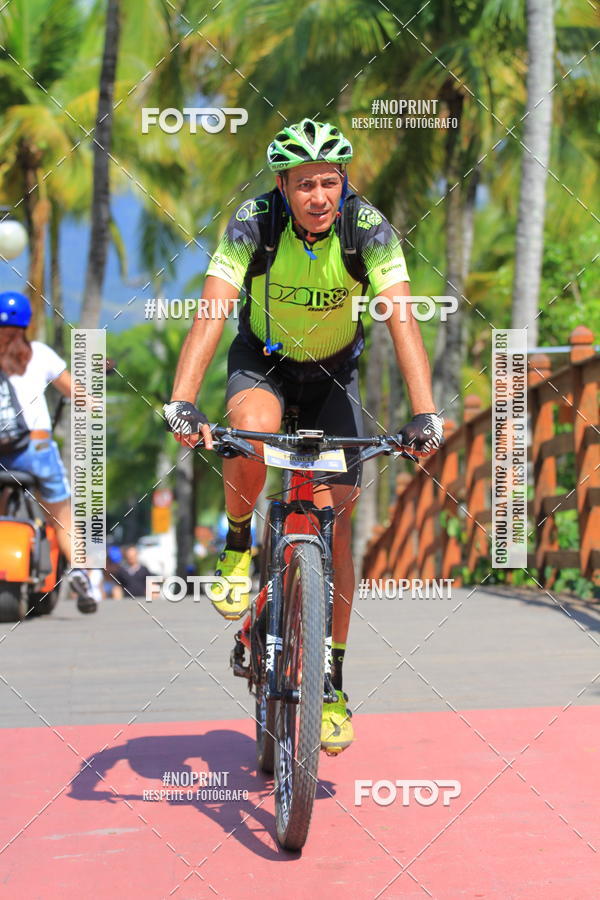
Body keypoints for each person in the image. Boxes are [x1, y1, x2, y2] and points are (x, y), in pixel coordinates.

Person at [164, 118, 444, 753]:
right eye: (305, 185)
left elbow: (401, 316)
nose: (320, 196)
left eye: (330, 181)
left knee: (336, 522)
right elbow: (212, 308)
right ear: (281, 187)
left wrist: (425, 412)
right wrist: (182, 399)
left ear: (343, 182)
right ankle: (237, 544)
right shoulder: (252, 224)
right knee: (253, 433)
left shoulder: (365, 227)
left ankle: (333, 681)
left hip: (331, 374)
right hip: (261, 362)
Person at [0, 290, 97, 613]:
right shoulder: (39, 354)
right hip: (36, 450)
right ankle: (81, 573)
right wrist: (92, 402)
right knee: (63, 518)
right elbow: (76, 393)